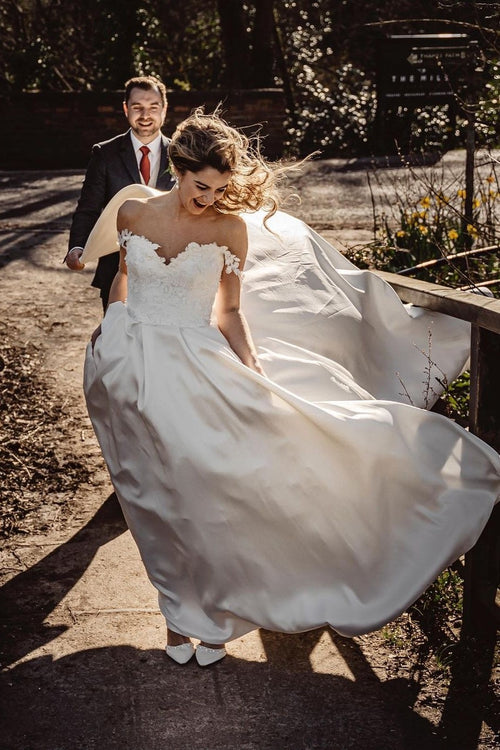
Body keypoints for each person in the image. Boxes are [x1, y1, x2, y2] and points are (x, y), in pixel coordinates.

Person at [83, 109, 499, 668]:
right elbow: (121, 280)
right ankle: (179, 615)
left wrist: (254, 373)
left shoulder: (229, 230)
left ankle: (215, 619)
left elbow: (228, 312)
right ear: (177, 169)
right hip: (133, 368)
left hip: (196, 366)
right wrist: (111, 329)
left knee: (207, 496)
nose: (208, 198)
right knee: (154, 498)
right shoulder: (133, 213)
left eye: (220, 189)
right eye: (200, 186)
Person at [65, 75, 176, 308]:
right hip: (116, 270)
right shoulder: (104, 154)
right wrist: (77, 246)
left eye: (153, 107)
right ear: (126, 109)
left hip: (172, 270)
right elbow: (89, 208)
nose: (145, 115)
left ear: (164, 109)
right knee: (118, 340)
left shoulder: (182, 153)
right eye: (137, 107)